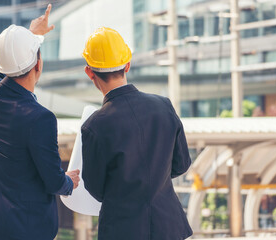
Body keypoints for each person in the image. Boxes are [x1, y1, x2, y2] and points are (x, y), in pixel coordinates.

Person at [0, 4, 80, 240]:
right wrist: (68, 182)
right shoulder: (40, 118)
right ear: (39, 65)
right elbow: (53, 181)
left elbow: (0, 70)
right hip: (31, 230)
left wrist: (33, 37)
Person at [81, 27, 193, 240]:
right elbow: (182, 164)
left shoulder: (95, 126)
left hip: (122, 230)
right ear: (128, 65)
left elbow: (95, 188)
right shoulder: (163, 106)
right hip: (168, 226)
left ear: (89, 72)